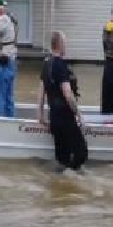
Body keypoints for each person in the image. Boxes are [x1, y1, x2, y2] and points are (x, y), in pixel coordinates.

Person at [37, 31, 88, 172]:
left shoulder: (46, 64)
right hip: (65, 117)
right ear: (60, 45)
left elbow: (40, 94)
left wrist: (40, 116)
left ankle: (61, 179)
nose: (66, 46)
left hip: (54, 117)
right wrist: (79, 115)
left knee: (62, 159)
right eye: (65, 43)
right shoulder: (60, 65)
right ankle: (72, 175)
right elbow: (68, 94)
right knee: (81, 153)